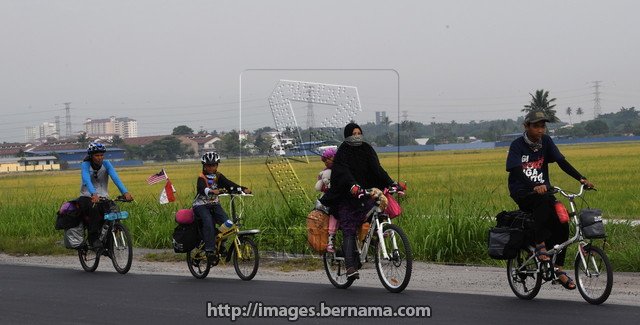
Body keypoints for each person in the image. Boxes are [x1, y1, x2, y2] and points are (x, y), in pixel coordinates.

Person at [506, 110, 594, 290]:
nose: (540, 130)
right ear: (526, 126)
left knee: (562, 219)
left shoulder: (546, 142)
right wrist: (533, 187)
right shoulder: (517, 145)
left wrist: (581, 178)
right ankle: (539, 245)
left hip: (544, 192)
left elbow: (561, 161)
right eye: (536, 126)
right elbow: (515, 170)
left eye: (543, 126)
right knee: (542, 203)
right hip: (523, 191)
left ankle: (558, 269)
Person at [320, 122, 399, 280]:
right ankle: (350, 266)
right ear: (347, 136)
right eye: (353, 134)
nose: (356, 136)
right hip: (346, 196)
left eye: (359, 133)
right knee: (349, 227)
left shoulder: (367, 148)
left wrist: (391, 183)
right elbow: (343, 173)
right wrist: (353, 186)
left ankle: (372, 244)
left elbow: (377, 169)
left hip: (365, 193)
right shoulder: (343, 151)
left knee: (376, 212)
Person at [192, 152, 251, 259]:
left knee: (228, 223)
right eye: (208, 165)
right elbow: (201, 188)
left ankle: (220, 241)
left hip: (214, 204)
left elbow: (229, 184)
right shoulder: (201, 177)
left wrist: (243, 189)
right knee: (208, 222)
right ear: (204, 166)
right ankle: (209, 249)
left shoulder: (218, 176)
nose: (211, 167)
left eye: (213, 165)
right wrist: (212, 191)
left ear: (217, 165)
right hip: (200, 206)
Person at [78, 142, 133, 249]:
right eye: (97, 155)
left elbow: (116, 178)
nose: (100, 158)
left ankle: (110, 240)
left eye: (101, 155)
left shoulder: (107, 164)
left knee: (114, 210)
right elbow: (86, 180)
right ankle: (93, 239)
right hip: (87, 196)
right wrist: (93, 194)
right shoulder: (85, 165)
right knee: (94, 211)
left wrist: (125, 192)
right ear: (91, 156)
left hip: (103, 196)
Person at [314, 147, 338, 253]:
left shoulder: (340, 169)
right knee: (334, 215)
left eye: (329, 158)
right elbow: (319, 187)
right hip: (330, 200)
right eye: (325, 160)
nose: (326, 161)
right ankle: (330, 241)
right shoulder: (324, 173)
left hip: (338, 197)